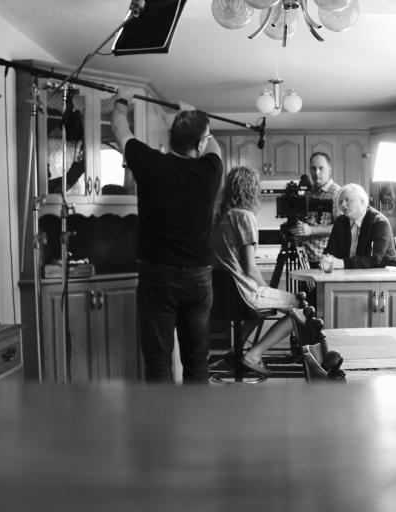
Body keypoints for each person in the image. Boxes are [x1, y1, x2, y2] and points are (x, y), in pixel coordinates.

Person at [112, 96, 223, 384]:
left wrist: (122, 100)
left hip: (157, 277)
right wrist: (192, 113)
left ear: (170, 138)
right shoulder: (210, 171)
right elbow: (214, 147)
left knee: (158, 363)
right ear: (199, 144)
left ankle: (161, 427)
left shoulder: (149, 163)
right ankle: (196, 424)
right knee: (197, 361)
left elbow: (119, 129)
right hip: (198, 278)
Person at [211, 166, 303, 376]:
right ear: (251, 190)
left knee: (261, 306)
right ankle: (254, 354)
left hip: (223, 293)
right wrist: (266, 290)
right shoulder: (244, 216)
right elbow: (250, 269)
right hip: (244, 292)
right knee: (301, 308)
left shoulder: (219, 217)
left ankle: (235, 351)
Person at [324, 183, 396, 269]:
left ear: (362, 202)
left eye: (347, 200)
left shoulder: (380, 223)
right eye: (340, 201)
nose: (343, 205)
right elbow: (330, 252)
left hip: (383, 276)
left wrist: (342, 263)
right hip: (349, 274)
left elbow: (374, 260)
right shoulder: (340, 222)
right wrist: (326, 260)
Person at [289, 152, 341, 268]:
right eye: (313, 168)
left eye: (321, 168)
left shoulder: (337, 193)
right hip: (303, 260)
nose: (316, 173)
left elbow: (340, 228)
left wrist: (311, 230)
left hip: (323, 261)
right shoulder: (308, 193)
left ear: (329, 170)